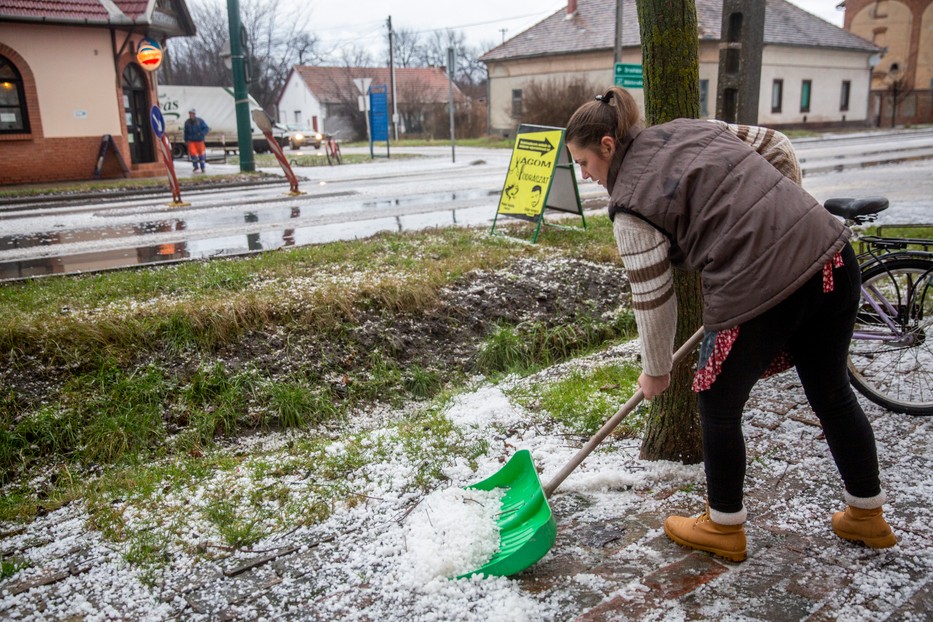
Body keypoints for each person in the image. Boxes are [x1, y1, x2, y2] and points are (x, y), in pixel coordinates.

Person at [565, 86, 896, 562]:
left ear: (608, 146)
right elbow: (776, 144)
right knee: (831, 390)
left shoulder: (630, 206)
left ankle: (723, 526)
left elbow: (653, 299)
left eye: (584, 164)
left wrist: (656, 370)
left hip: (761, 283)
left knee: (716, 401)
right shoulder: (690, 128)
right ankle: (867, 515)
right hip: (831, 256)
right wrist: (786, 216)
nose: (586, 176)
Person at [184, 108, 209, 173]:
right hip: (191, 141)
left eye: (192, 113)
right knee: (193, 154)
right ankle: (195, 167)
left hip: (199, 140)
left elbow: (206, 128)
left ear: (194, 114)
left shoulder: (200, 121)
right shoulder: (187, 122)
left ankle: (202, 167)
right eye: (190, 114)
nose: (190, 115)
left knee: (201, 154)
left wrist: (201, 133)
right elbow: (186, 132)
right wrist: (186, 140)